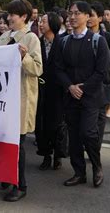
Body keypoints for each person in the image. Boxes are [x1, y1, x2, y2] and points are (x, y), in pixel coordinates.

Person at [55, 1, 109, 188]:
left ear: (87, 16)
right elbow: (58, 69)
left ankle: (97, 166)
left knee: (88, 133)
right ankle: (79, 172)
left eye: (77, 13)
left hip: (91, 97)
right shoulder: (64, 41)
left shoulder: (98, 41)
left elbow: (101, 71)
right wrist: (70, 86)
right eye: (71, 13)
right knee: (74, 136)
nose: (73, 16)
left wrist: (83, 88)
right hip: (70, 96)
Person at [0, 0, 43, 202]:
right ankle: (6, 175)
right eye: (9, 14)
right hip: (3, 97)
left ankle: (20, 184)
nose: (9, 18)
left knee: (17, 144)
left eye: (13, 14)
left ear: (23, 16)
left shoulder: (31, 38)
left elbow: (37, 69)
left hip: (21, 97)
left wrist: (24, 57)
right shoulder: (4, 37)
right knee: (3, 140)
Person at [35, 12, 67, 171]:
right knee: (42, 124)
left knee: (57, 124)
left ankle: (58, 155)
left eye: (44, 22)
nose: (41, 24)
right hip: (40, 89)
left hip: (58, 90)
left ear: (53, 24)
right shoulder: (37, 43)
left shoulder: (62, 43)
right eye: (40, 22)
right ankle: (46, 155)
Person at [89, 2, 110, 125]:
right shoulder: (78, 37)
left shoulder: (108, 38)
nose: (89, 18)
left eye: (92, 15)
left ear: (100, 18)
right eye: (87, 15)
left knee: (99, 119)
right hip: (85, 83)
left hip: (103, 84)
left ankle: (95, 143)